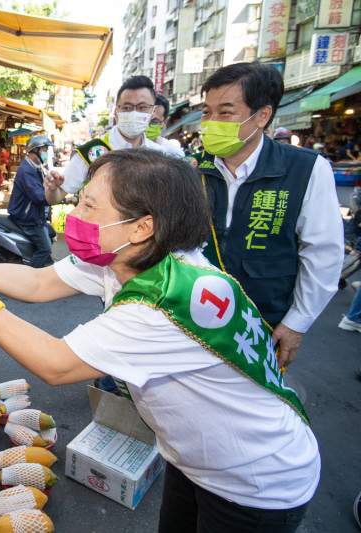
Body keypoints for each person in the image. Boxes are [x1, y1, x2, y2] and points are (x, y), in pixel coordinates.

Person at [0, 149, 318, 532]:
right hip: (196, 464)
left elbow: (56, 364)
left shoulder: (160, 306)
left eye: (88, 203)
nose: (73, 211)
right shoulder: (136, 259)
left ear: (140, 227)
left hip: (255, 481)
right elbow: (39, 282)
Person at [191, 61, 344, 368]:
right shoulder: (192, 168)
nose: (211, 122)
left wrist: (297, 323)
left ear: (262, 115)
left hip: (262, 326)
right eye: (207, 112)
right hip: (192, 319)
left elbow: (323, 253)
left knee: (251, 408)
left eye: (225, 112)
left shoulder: (306, 169)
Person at [44, 75, 164, 205]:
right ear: (116, 111)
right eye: (127, 107)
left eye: (142, 107)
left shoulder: (160, 156)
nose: (134, 113)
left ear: (153, 111)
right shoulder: (92, 152)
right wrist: (52, 189)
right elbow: (54, 198)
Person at [7, 135, 55, 269]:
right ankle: (30, 276)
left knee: (51, 233)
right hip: (27, 218)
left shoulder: (35, 167)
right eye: (44, 150)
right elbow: (39, 196)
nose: (46, 153)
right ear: (35, 151)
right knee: (45, 248)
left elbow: (44, 188)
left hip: (35, 215)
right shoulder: (27, 170)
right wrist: (58, 198)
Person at [147, 93, 185, 158]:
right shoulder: (127, 148)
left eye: (154, 122)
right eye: (145, 119)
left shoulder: (175, 154)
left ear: (164, 123)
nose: (147, 125)